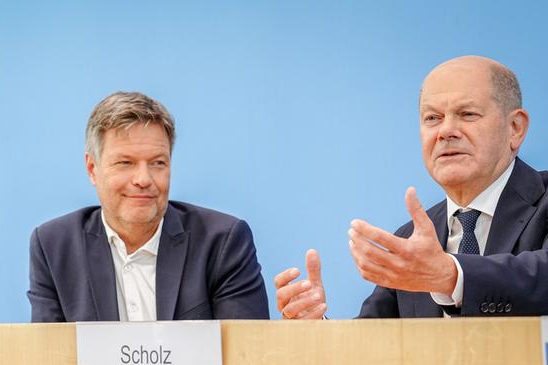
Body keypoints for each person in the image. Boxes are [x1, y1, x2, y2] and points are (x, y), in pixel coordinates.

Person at [275, 55, 548, 319]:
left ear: (515, 128)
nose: (446, 131)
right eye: (432, 118)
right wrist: (315, 328)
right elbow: (372, 346)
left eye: (467, 114)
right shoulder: (412, 241)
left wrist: (451, 275)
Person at [29, 91, 269, 322]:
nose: (143, 179)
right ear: (92, 169)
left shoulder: (222, 242)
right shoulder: (54, 247)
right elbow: (49, 359)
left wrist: (296, 328)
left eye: (157, 163)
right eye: (125, 163)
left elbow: (248, 353)